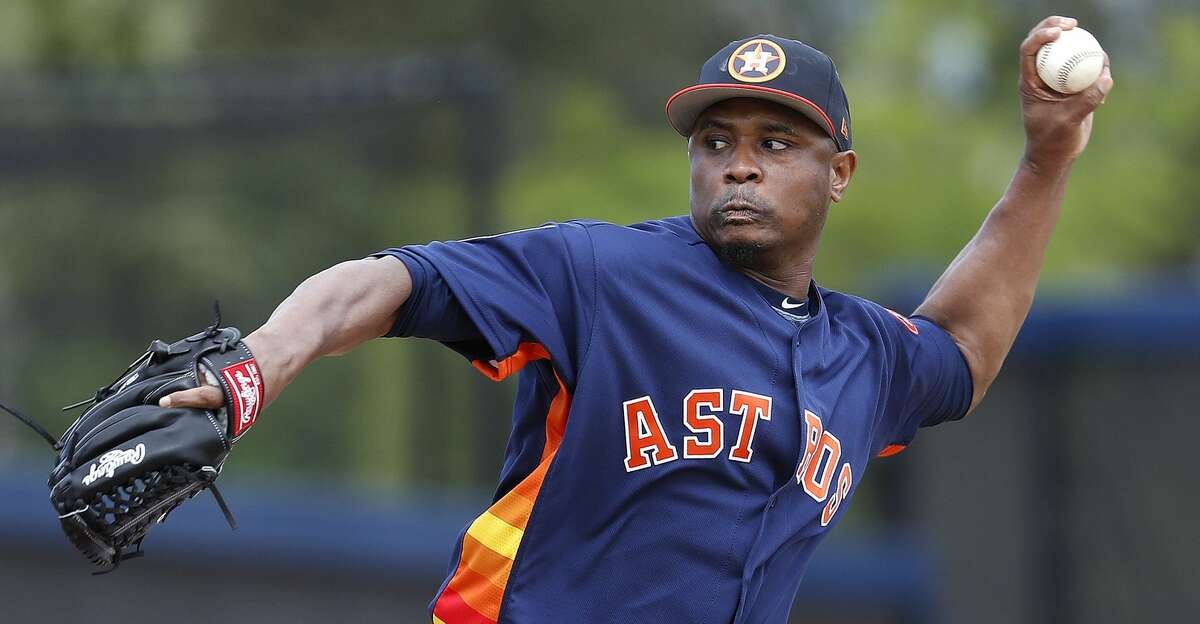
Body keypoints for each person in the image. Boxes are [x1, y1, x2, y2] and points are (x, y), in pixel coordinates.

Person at [157, 16, 1112, 624]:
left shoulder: (862, 356)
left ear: (840, 173)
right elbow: (390, 281)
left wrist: (1046, 160)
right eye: (715, 141)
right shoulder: (604, 271)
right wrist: (263, 361)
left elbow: (963, 349)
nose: (739, 164)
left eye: (777, 143)